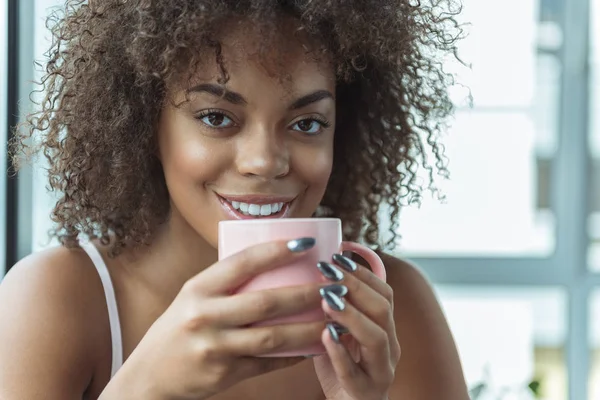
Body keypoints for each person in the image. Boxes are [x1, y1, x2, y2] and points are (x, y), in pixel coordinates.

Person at [0, 0, 470, 399]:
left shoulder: (393, 308)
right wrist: (143, 387)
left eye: (307, 123)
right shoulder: (55, 300)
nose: (265, 161)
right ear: (146, 122)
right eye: (216, 117)